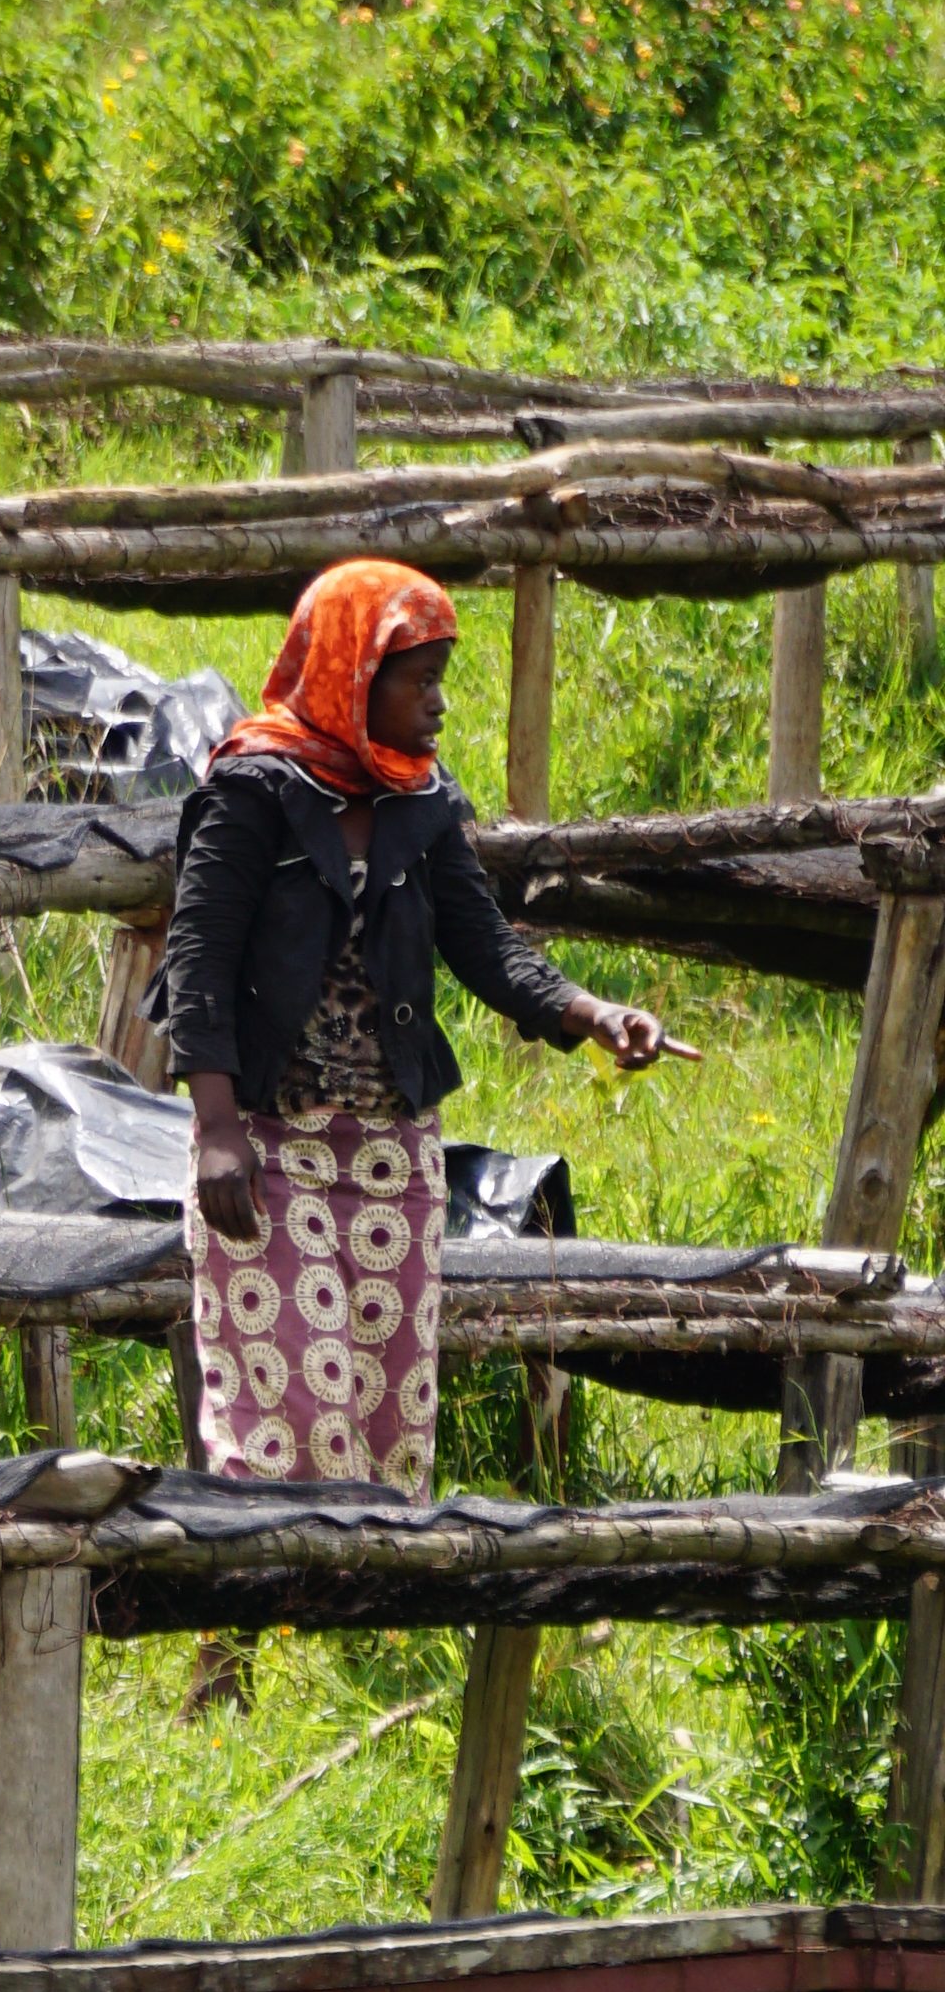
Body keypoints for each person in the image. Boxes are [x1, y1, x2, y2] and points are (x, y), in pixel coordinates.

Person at [161, 555, 673, 1498]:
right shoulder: (253, 791)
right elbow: (197, 958)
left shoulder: (423, 802)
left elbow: (485, 946)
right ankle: (252, 1623)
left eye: (442, 679)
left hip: (394, 1153)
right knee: (288, 1408)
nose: (438, 703)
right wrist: (218, 1128)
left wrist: (592, 1013)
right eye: (420, 679)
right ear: (356, 673)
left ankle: (358, 1622)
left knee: (389, 1410)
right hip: (270, 1146)